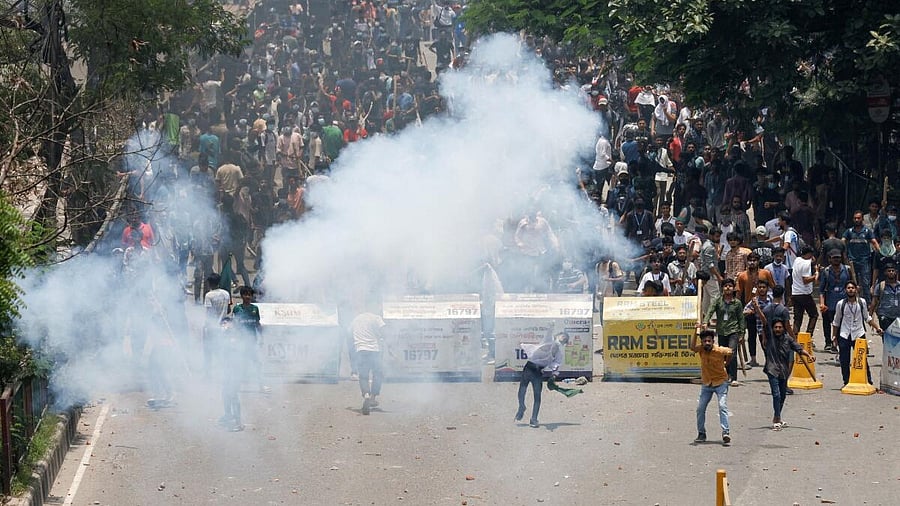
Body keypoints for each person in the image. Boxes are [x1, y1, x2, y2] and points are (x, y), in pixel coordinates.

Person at [758, 315, 813, 430]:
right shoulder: (770, 337)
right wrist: (757, 308)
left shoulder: (788, 339)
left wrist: (808, 355)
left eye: (780, 327)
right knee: (776, 394)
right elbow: (764, 321)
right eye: (776, 327)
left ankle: (777, 417)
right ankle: (777, 418)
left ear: (784, 328)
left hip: (783, 371)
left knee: (782, 395)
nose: (777, 329)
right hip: (772, 369)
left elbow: (798, 348)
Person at [832, 281, 882, 386]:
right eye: (848, 288)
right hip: (844, 334)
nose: (850, 290)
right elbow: (836, 321)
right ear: (845, 290)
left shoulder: (861, 302)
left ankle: (868, 381)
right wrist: (834, 336)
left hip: (859, 333)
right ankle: (846, 381)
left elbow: (867, 318)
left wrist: (877, 327)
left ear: (856, 289)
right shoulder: (841, 304)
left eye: (852, 288)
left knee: (862, 358)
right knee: (844, 360)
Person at [516, 331, 569, 428]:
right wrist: (551, 326)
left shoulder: (558, 354)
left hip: (538, 372)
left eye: (564, 339)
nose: (562, 339)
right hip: (529, 368)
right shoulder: (548, 341)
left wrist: (553, 376)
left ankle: (534, 419)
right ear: (556, 336)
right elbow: (548, 334)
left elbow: (556, 366)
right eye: (562, 337)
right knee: (522, 390)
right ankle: (521, 406)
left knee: (537, 396)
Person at [690, 329, 733, 444]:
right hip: (707, 383)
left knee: (722, 405)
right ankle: (701, 433)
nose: (707, 343)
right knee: (700, 409)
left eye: (709, 341)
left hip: (720, 383)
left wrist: (726, 363)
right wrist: (695, 331)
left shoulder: (719, 350)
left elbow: (730, 352)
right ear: (702, 342)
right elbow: (692, 347)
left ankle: (726, 432)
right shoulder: (701, 350)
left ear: (713, 341)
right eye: (705, 341)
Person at [702, 278, 745, 385]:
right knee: (723, 354)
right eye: (725, 286)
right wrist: (705, 321)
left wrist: (742, 333)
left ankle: (734, 377)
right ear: (722, 288)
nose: (728, 288)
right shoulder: (717, 301)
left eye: (730, 286)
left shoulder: (737, 303)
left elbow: (741, 319)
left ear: (733, 288)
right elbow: (710, 311)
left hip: (733, 331)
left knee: (732, 353)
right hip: (721, 331)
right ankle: (726, 375)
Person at [231, 286, 269, 393]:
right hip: (241, 341)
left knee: (257, 364)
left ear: (252, 296)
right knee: (239, 364)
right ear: (241, 296)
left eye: (249, 295)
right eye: (245, 294)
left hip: (252, 341)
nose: (247, 297)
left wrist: (261, 337)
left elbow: (257, 324)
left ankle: (261, 385)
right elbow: (234, 324)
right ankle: (236, 386)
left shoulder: (254, 309)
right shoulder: (237, 309)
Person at [352, 311, 386, 415]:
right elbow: (384, 330)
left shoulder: (356, 319)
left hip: (360, 350)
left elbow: (349, 332)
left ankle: (366, 394)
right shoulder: (375, 317)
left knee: (363, 376)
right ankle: (373, 397)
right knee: (378, 374)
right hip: (374, 350)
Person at [818, 250, 852, 353]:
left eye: (838, 257)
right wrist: (822, 303)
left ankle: (839, 343)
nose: (836, 259)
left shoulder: (847, 270)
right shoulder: (826, 271)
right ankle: (829, 342)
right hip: (830, 303)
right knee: (829, 324)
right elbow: (821, 290)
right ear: (830, 259)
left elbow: (852, 285)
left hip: (844, 303)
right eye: (834, 258)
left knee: (842, 324)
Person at [843, 211, 880, 302]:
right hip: (852, 262)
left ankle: (867, 304)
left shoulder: (867, 231)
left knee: (865, 283)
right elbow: (842, 242)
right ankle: (851, 301)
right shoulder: (849, 231)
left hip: (864, 261)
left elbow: (874, 243)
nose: (856, 220)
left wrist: (881, 254)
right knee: (850, 283)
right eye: (855, 218)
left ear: (862, 219)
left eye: (858, 218)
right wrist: (843, 255)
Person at [203, 273, 231, 377]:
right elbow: (228, 309)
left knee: (208, 351)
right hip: (224, 326)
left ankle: (208, 374)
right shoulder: (226, 293)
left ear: (210, 283)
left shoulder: (209, 295)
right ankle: (223, 372)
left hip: (212, 327)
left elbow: (209, 313)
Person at [219, 316, 244, 431]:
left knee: (233, 395)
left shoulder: (235, 336)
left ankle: (239, 423)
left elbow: (234, 348)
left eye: (226, 324)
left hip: (235, 370)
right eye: (223, 324)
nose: (224, 326)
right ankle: (228, 415)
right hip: (226, 370)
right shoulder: (223, 337)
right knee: (225, 393)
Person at [791, 246, 819, 337]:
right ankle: (808, 335)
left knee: (797, 318)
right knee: (814, 315)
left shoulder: (797, 260)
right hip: (804, 293)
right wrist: (815, 275)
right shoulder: (806, 264)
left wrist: (812, 261)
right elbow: (805, 280)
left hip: (795, 293)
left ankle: (795, 336)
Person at [871, 261, 900, 335]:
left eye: (893, 271)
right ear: (885, 273)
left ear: (896, 272)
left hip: (898, 317)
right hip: (885, 316)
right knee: (887, 339)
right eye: (889, 271)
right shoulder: (880, 286)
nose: (891, 272)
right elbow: (874, 302)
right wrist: (870, 316)